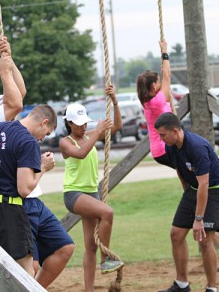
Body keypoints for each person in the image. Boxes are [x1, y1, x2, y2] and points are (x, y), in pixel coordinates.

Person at [0, 104, 56, 292]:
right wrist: (43, 167)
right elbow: (24, 188)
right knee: (26, 270)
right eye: (47, 133)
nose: (43, 138)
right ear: (44, 122)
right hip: (5, 209)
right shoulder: (28, 141)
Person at [155, 112, 219, 292]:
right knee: (176, 234)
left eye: (163, 135)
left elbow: (205, 183)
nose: (161, 139)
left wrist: (198, 218)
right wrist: (187, 193)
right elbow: (181, 170)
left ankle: (212, 287)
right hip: (194, 189)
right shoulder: (172, 145)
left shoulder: (197, 147)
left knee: (204, 240)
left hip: (214, 190)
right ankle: (182, 284)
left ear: (175, 131)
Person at [59, 85, 124, 292]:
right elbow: (80, 154)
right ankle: (106, 260)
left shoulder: (90, 136)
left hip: (91, 193)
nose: (83, 127)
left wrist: (114, 101)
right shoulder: (65, 142)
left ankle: (89, 289)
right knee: (108, 212)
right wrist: (97, 131)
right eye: (78, 124)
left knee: (90, 246)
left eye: (85, 123)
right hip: (74, 194)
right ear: (69, 123)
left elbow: (118, 126)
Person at [136, 39, 173, 168]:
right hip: (164, 148)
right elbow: (167, 77)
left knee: (184, 170)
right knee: (191, 168)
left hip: (159, 149)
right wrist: (164, 51)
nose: (160, 83)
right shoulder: (156, 102)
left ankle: (189, 188)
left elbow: (166, 80)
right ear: (153, 85)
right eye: (158, 81)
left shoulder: (148, 101)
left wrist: (164, 71)